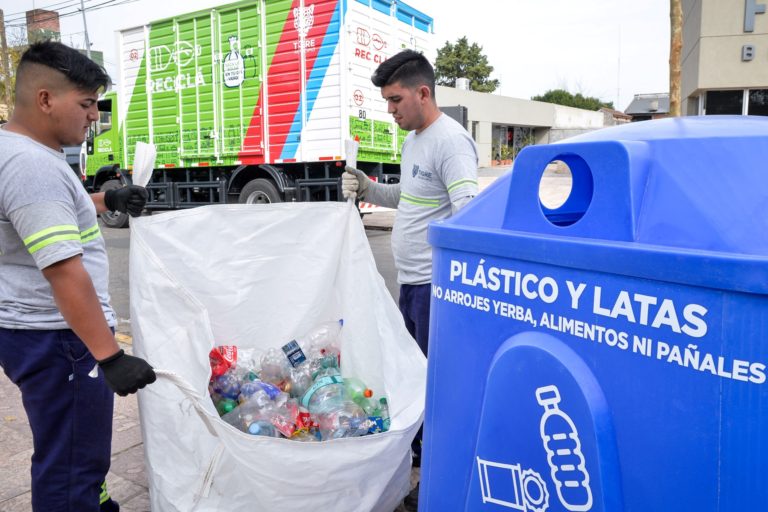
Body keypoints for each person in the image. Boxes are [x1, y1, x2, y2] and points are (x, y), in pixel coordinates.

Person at [0, 41, 156, 511]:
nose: (94, 116)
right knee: (72, 464)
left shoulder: (17, 151)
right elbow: (65, 271)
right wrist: (109, 357)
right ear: (46, 99)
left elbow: (40, 216)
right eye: (86, 104)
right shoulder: (31, 166)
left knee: (72, 452)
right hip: (61, 338)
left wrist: (107, 202)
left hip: (38, 332)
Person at [341, 48, 478, 499]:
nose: (390, 110)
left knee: (433, 381)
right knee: (413, 373)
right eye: (386, 101)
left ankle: (437, 473)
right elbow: (409, 196)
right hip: (412, 283)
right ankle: (421, 453)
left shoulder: (451, 142)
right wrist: (367, 187)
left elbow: (467, 216)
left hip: (436, 289)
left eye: (396, 100)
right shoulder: (414, 141)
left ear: (423, 92)